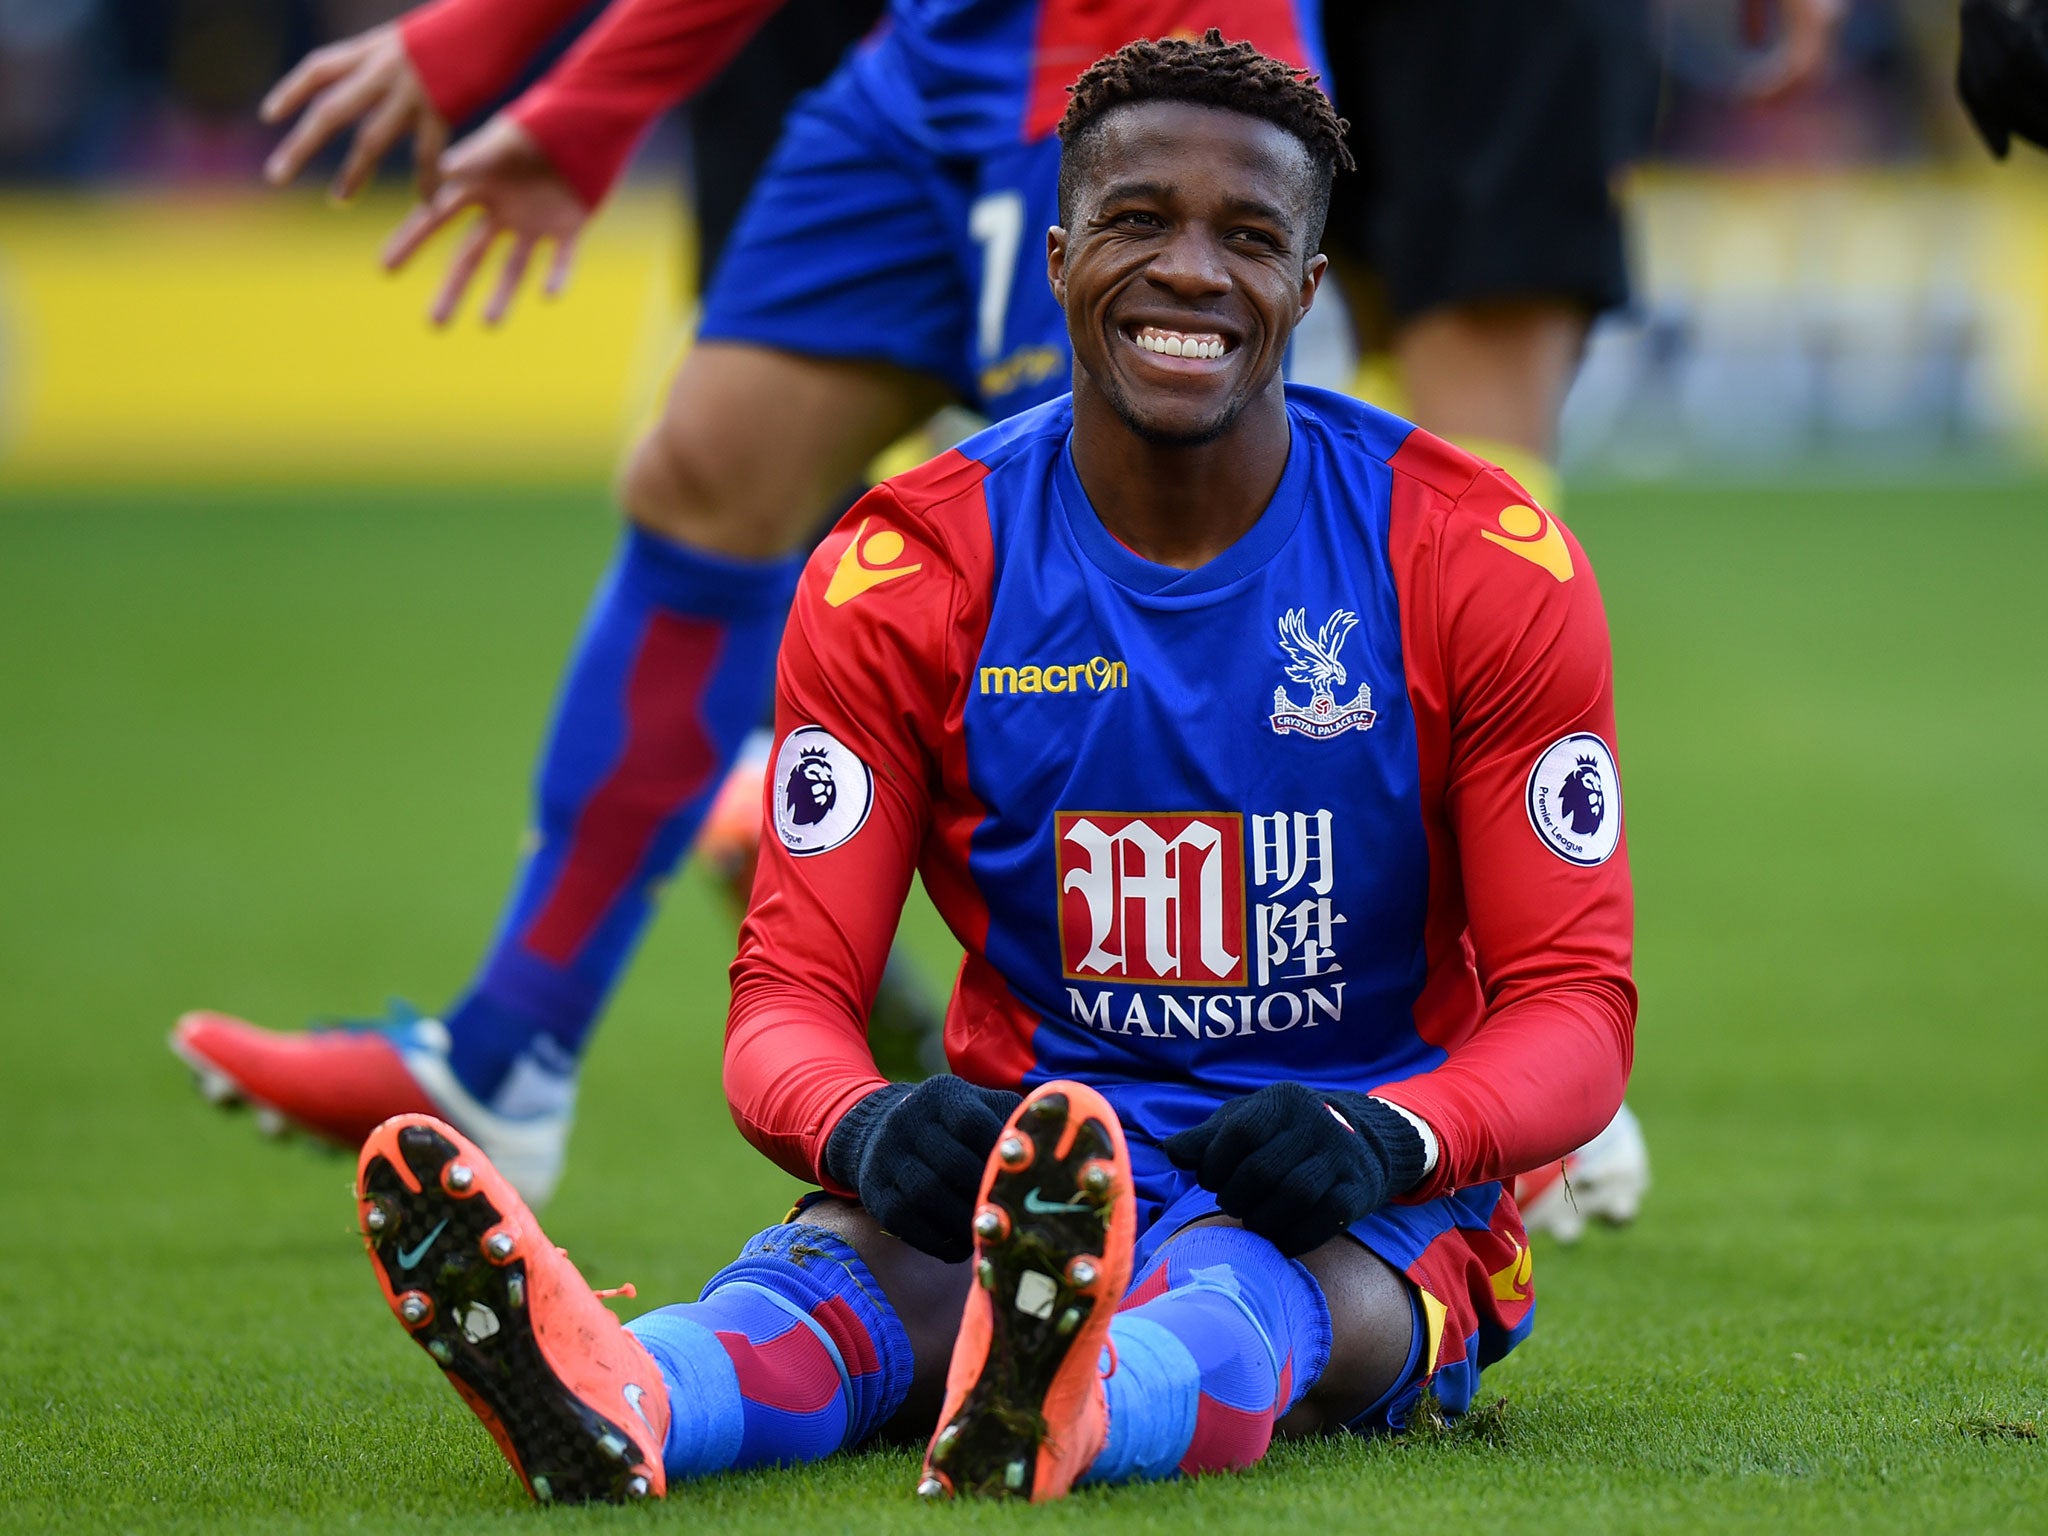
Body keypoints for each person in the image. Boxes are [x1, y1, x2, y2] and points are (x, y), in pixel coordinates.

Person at [347, 34, 1636, 1505]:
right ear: (1058, 254)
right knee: (829, 1287)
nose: (1193, 274)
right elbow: (786, 1003)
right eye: (1140, 223)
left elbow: (1577, 1011)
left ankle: (1083, 1396)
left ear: (1312, 288)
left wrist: (1392, 1127)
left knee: (1249, 1290)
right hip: (1040, 1171)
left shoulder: (1472, 561)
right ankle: (630, 1395)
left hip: (1366, 1187)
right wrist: (866, 1119)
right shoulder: (908, 568)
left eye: (1251, 237)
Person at [170, 0, 1323, 1207]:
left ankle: (1270, 1100)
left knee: (1134, 542)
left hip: (1150, 73)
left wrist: (538, 64)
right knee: (703, 479)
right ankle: (507, 1052)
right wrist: (560, 84)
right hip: (931, 63)